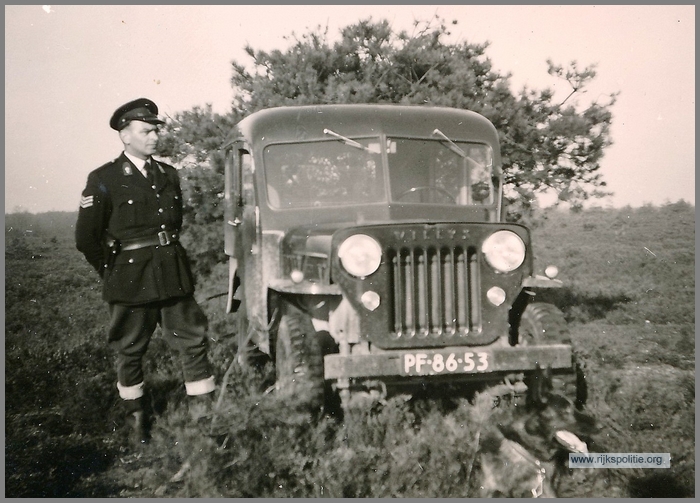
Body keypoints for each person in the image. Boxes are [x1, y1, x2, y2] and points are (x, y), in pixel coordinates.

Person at [75, 98, 215, 447]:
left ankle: (204, 421)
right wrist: (112, 273)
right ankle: (137, 424)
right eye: (145, 131)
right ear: (125, 135)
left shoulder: (168, 174)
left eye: (155, 130)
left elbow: (175, 223)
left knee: (193, 343)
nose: (154, 137)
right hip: (129, 278)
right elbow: (86, 239)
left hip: (171, 273)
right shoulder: (104, 178)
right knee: (130, 349)